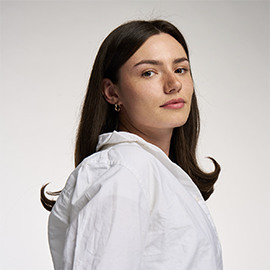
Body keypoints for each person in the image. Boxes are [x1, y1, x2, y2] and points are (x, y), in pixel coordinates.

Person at [41, 19, 223, 270]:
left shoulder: (149, 172)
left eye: (180, 69)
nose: (174, 84)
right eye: (149, 72)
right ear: (112, 92)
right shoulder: (125, 172)